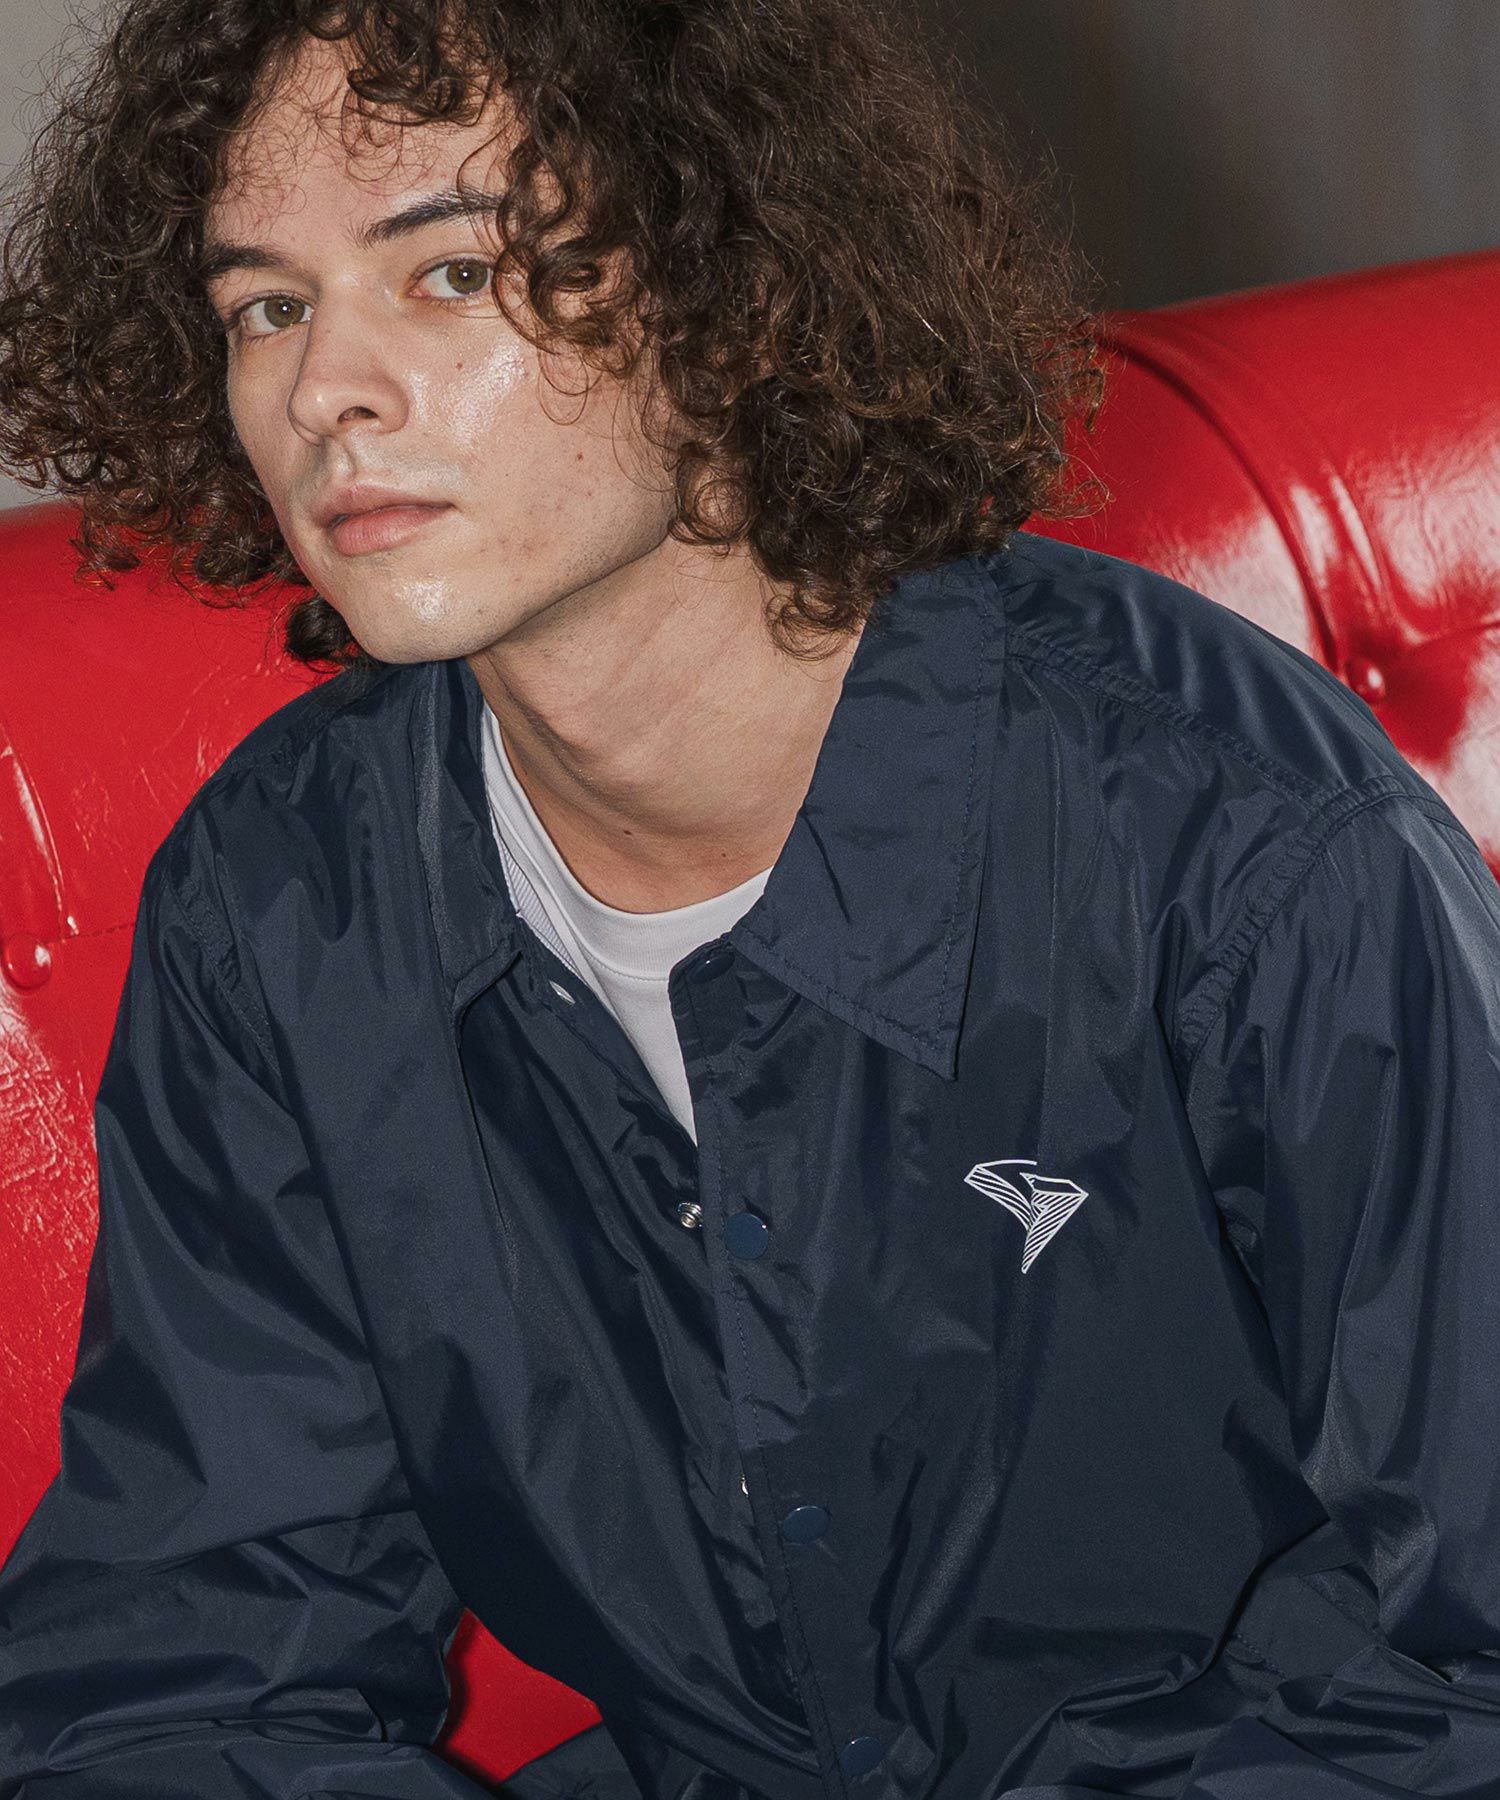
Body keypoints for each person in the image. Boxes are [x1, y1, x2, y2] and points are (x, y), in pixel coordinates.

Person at [1, 1, 1498, 1796]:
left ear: (732, 289)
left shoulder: (1242, 844)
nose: (326, 389)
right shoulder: (282, 903)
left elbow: (1464, 1665)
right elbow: (180, 1676)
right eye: (266, 306)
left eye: (455, 273)